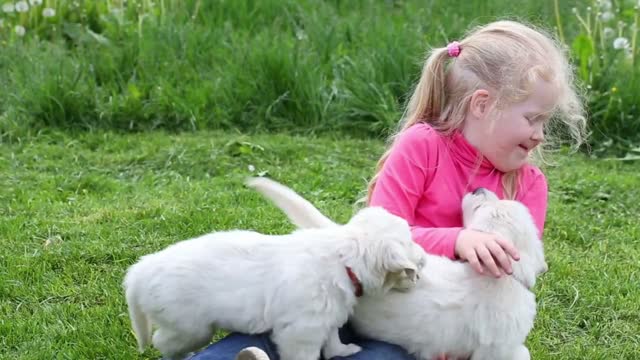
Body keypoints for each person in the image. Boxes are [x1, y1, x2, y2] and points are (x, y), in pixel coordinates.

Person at [188, 19, 587, 360]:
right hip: (359, 295)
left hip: (423, 335)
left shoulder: (529, 184)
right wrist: (458, 240)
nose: (539, 135)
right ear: (482, 105)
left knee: (386, 356)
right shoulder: (422, 146)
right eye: (532, 118)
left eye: (544, 121)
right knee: (299, 315)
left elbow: (515, 275)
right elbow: (375, 236)